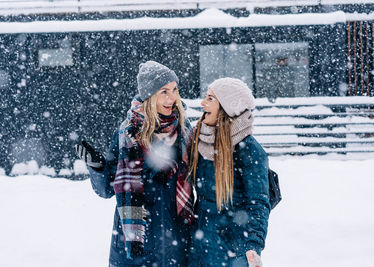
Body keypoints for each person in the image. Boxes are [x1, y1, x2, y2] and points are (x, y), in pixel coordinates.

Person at [75, 60, 195, 267]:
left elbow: (204, 177)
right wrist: (97, 167)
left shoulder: (184, 131)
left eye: (174, 90)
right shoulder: (127, 134)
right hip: (135, 244)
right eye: (164, 92)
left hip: (176, 242)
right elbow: (106, 189)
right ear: (150, 96)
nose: (172, 98)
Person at [189, 78, 270, 267]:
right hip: (200, 248)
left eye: (210, 98)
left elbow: (258, 202)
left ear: (227, 107)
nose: (203, 103)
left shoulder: (249, 150)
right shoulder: (198, 141)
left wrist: (253, 245)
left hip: (233, 251)